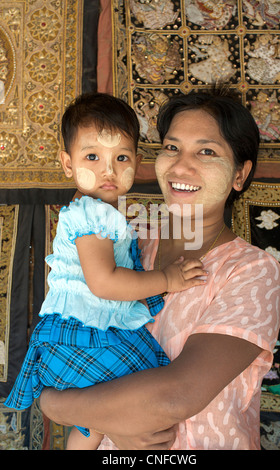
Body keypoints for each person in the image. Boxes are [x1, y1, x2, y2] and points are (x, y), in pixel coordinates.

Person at [40, 86, 280, 450]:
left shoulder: (250, 270)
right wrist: (84, 412)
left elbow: (176, 397)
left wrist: (58, 405)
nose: (181, 166)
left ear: (240, 174)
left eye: (206, 151)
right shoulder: (128, 245)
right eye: (171, 147)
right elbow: (66, 333)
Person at [4, 93, 206, 450]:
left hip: (84, 336)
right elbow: (104, 283)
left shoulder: (107, 215)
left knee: (93, 426)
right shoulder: (91, 215)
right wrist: (167, 279)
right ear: (68, 164)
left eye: (121, 157)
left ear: (138, 163)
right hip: (86, 338)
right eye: (92, 157)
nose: (108, 170)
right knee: (139, 404)